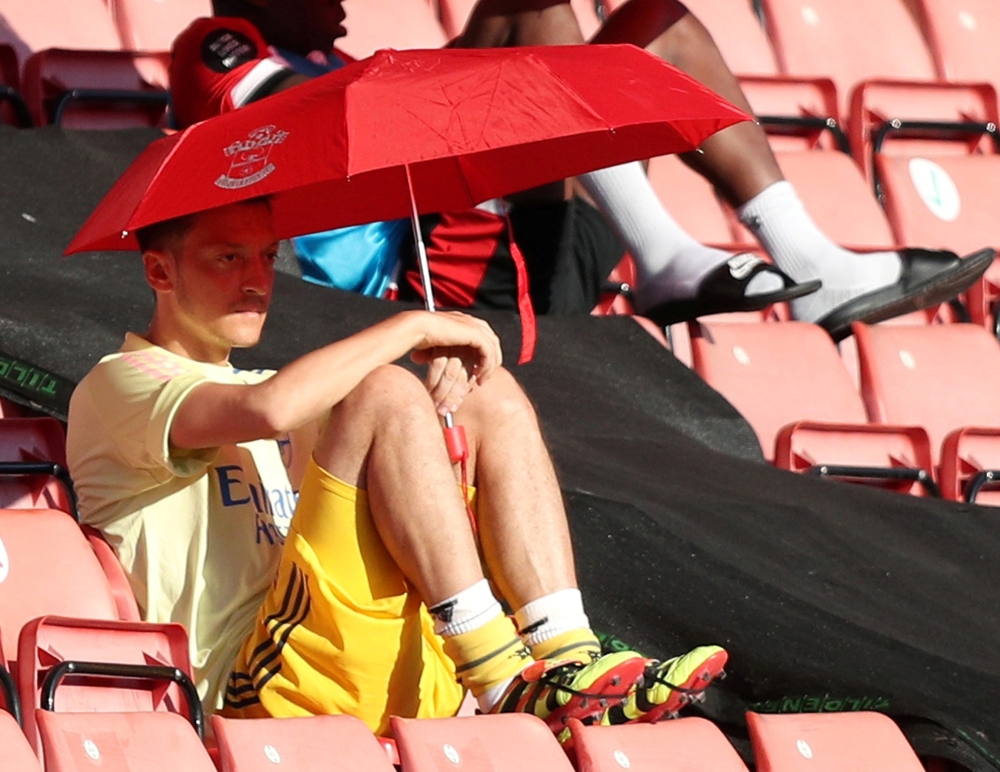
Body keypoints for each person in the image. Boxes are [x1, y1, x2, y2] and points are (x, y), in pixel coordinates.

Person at [65, 198, 727, 738]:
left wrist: (442, 391)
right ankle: (502, 678)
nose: (255, 280)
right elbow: (271, 409)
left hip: (392, 665)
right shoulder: (119, 383)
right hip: (256, 689)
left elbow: (309, 403)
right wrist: (413, 330)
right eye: (227, 258)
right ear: (158, 272)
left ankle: (566, 656)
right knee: (384, 389)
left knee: (485, 395)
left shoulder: (265, 383)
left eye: (267, 257)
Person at [169, 0, 993, 341]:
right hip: (419, 278)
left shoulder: (337, 57)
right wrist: (471, 58)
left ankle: (810, 259)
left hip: (524, 246)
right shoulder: (216, 43)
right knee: (535, 8)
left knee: (652, 21)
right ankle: (665, 256)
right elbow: (332, 131)